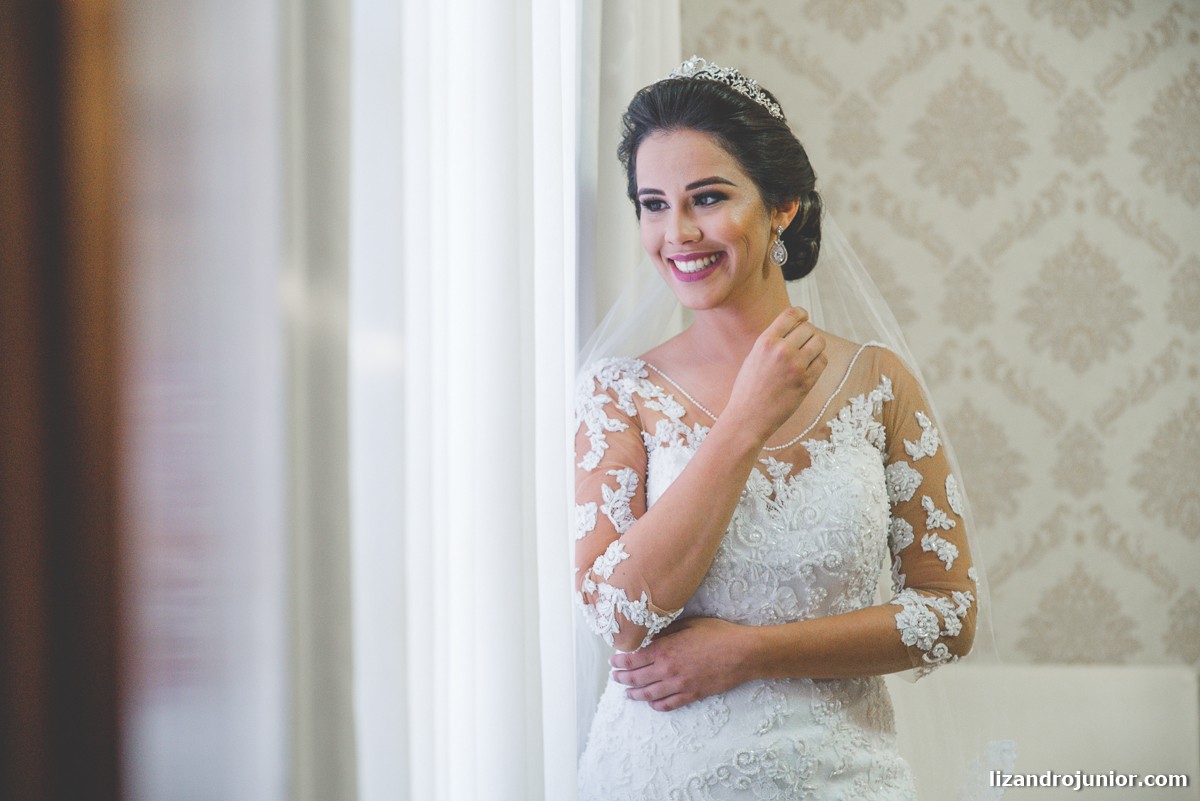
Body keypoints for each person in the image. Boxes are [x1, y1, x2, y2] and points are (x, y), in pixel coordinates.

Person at [573, 57, 999, 800]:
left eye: (706, 197)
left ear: (783, 206)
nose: (676, 232)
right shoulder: (620, 393)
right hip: (659, 778)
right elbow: (621, 617)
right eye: (652, 203)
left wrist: (750, 653)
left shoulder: (879, 384)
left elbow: (949, 614)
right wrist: (743, 421)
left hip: (846, 778)